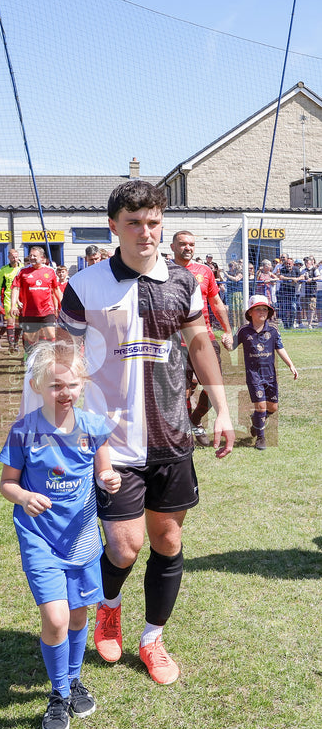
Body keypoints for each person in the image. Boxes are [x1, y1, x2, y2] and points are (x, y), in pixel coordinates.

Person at [58, 180, 234, 685]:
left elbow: (200, 346)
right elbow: (65, 361)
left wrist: (222, 410)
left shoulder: (183, 281)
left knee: (169, 538)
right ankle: (108, 606)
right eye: (134, 223)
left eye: (153, 222)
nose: (146, 232)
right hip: (110, 443)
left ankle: (152, 639)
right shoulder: (84, 285)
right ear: (113, 226)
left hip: (172, 437)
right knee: (123, 546)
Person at [0, 340, 121, 729]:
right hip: (40, 539)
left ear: (82, 384)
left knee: (79, 614)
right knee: (55, 618)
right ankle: (57, 693)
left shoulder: (94, 427)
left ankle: (73, 681)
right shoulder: (24, 431)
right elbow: (7, 485)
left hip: (82, 538)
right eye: (55, 386)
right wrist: (25, 496)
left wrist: (109, 479)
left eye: (71, 384)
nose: (64, 392)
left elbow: (105, 472)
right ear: (37, 386)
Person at [170, 231, 233, 447]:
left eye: (191, 244)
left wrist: (227, 330)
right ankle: (185, 431)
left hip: (204, 338)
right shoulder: (164, 272)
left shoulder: (204, 271)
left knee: (213, 385)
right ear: (172, 247)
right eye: (182, 244)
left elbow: (216, 303)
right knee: (182, 390)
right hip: (175, 342)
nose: (187, 248)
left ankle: (195, 419)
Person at [226, 295, 298, 450]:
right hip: (254, 375)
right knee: (260, 406)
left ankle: (256, 420)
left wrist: (291, 364)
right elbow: (231, 346)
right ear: (250, 312)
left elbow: (280, 348)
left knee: (272, 408)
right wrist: (226, 342)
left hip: (270, 375)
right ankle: (260, 438)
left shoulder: (273, 330)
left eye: (265, 309)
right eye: (258, 309)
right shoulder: (244, 331)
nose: (262, 312)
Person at [10, 247, 61, 354]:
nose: (31, 258)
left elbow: (56, 289)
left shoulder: (50, 271)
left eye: (34, 256)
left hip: (47, 311)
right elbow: (15, 288)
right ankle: (31, 362)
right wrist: (13, 305)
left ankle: (48, 359)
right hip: (29, 312)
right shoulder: (23, 271)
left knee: (51, 335)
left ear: (42, 258)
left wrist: (63, 305)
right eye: (30, 255)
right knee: (31, 341)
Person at [0, 248, 22, 351]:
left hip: (21, 298)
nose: (15, 259)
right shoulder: (4, 269)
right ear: (9, 257)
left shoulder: (23, 268)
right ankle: (11, 345)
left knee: (19, 323)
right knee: (10, 322)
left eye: (16, 256)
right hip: (8, 298)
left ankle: (16, 343)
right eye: (12, 257)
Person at [276, 257, 300, 329]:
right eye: (287, 263)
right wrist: (292, 279)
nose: (288, 265)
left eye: (289, 263)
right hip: (283, 292)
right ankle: (285, 325)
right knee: (283, 309)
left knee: (293, 308)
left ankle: (291, 324)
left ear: (292, 264)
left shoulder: (296, 269)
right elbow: (281, 277)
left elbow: (302, 276)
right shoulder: (283, 269)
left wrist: (298, 279)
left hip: (292, 293)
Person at [299, 257, 319, 329]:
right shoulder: (303, 270)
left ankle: (310, 323)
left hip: (312, 292)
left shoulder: (314, 269)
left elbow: (319, 277)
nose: (306, 263)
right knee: (306, 308)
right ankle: (308, 322)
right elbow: (300, 279)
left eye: (307, 262)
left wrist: (312, 279)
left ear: (311, 262)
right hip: (304, 292)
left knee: (311, 308)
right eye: (305, 262)